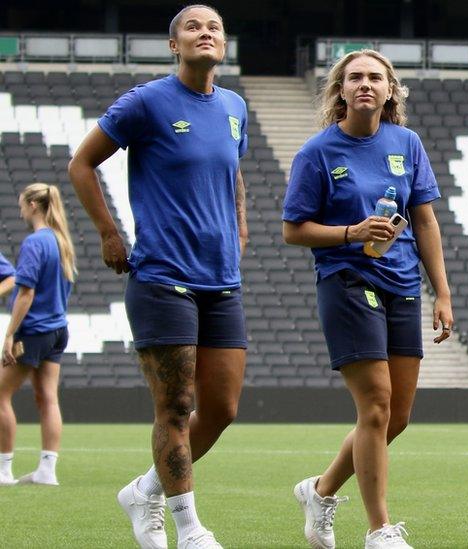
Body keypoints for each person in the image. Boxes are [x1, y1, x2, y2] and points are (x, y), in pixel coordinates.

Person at [68, 5, 248, 548]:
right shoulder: (146, 102)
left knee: (222, 410)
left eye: (214, 26)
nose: (206, 33)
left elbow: (233, 175)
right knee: (176, 406)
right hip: (163, 276)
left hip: (221, 280)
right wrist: (108, 233)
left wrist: (239, 228)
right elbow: (82, 163)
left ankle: (145, 489)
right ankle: (189, 528)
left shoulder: (235, 106)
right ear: (174, 45)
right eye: (193, 27)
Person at [282, 48, 453, 549]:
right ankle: (380, 528)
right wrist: (351, 232)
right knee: (376, 407)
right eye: (354, 77)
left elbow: (424, 220)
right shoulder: (317, 152)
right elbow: (294, 230)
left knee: (395, 416)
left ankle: (320, 491)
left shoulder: (408, 143)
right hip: (347, 281)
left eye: (375, 78)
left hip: (402, 285)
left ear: (389, 90)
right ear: (340, 89)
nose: (364, 85)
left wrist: (441, 292)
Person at [0, 183, 75, 488]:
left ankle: (3, 469)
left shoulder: (35, 243)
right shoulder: (61, 241)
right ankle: (47, 469)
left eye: (22, 203)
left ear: (33, 205)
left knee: (0, 395)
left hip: (33, 331)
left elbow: (25, 292)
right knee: (48, 398)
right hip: (58, 330)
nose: (20, 209)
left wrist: (10, 334)